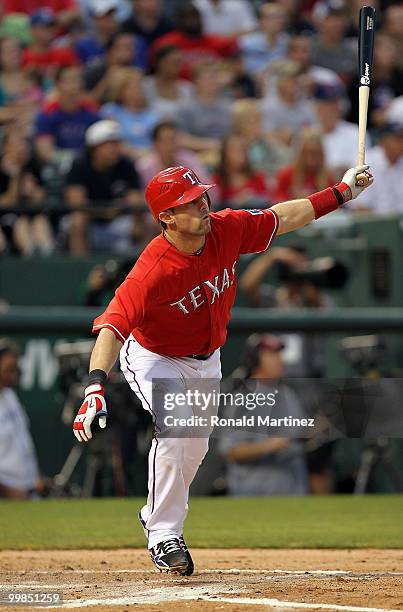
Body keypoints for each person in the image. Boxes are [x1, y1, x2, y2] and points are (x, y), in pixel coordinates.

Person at [72, 162, 373, 575]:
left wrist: (340, 193)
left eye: (201, 197)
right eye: (190, 203)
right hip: (154, 356)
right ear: (166, 217)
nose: (203, 206)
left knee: (196, 446)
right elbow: (111, 328)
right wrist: (94, 388)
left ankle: (157, 516)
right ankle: (163, 533)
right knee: (178, 428)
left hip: (207, 357)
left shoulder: (225, 228)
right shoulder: (151, 270)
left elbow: (282, 216)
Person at [219, 334, 309, 496]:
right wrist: (269, 446)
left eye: (279, 354)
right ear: (254, 360)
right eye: (272, 355)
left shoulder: (288, 395)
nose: (279, 360)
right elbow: (230, 451)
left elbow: (299, 438)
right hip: (254, 497)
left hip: (292, 495)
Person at [65, 119, 145, 255]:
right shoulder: (79, 164)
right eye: (110, 145)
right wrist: (104, 211)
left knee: (146, 221)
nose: (116, 149)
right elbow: (76, 203)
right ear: (95, 148)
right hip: (91, 221)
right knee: (78, 220)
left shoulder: (126, 165)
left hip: (119, 220)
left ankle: (140, 270)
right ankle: (79, 268)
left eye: (117, 144)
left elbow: (135, 199)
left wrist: (131, 217)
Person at [0, 339, 42, 499]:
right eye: (9, 369)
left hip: (27, 491)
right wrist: (6, 491)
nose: (14, 373)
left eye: (16, 368)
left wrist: (35, 477)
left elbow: (21, 445)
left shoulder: (10, 396)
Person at [34, 65, 100, 166]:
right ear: (58, 84)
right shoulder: (48, 114)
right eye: (70, 81)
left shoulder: (91, 112)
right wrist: (71, 161)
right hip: (59, 166)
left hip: (88, 166)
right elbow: (45, 151)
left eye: (78, 80)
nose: (75, 85)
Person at [212, 133, 274, 209]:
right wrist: (235, 201)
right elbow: (214, 207)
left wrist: (252, 198)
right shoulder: (217, 179)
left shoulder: (257, 176)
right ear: (224, 153)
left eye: (242, 150)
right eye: (233, 150)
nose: (239, 154)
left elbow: (267, 203)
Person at [274, 127, 335, 202]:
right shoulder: (286, 174)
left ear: (322, 155)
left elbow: (335, 204)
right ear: (300, 154)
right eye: (307, 152)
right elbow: (277, 201)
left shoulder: (329, 178)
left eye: (315, 153)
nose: (311, 158)